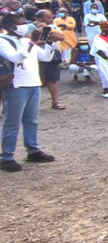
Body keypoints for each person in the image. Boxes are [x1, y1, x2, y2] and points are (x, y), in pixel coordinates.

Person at [0, 12, 56, 172]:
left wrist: (50, 43)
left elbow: (45, 57)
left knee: (32, 120)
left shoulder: (25, 41)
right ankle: (7, 157)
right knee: (12, 122)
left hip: (33, 83)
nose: (25, 25)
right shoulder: (3, 41)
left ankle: (33, 150)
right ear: (11, 25)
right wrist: (31, 42)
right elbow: (15, 58)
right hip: (17, 85)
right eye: (21, 22)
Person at [33, 9, 65, 110]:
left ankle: (55, 102)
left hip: (53, 55)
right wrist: (48, 40)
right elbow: (31, 41)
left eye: (51, 17)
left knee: (53, 79)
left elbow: (61, 37)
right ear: (39, 18)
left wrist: (48, 31)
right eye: (48, 17)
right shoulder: (31, 27)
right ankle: (33, 105)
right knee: (37, 80)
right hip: (38, 57)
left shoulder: (52, 26)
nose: (51, 19)